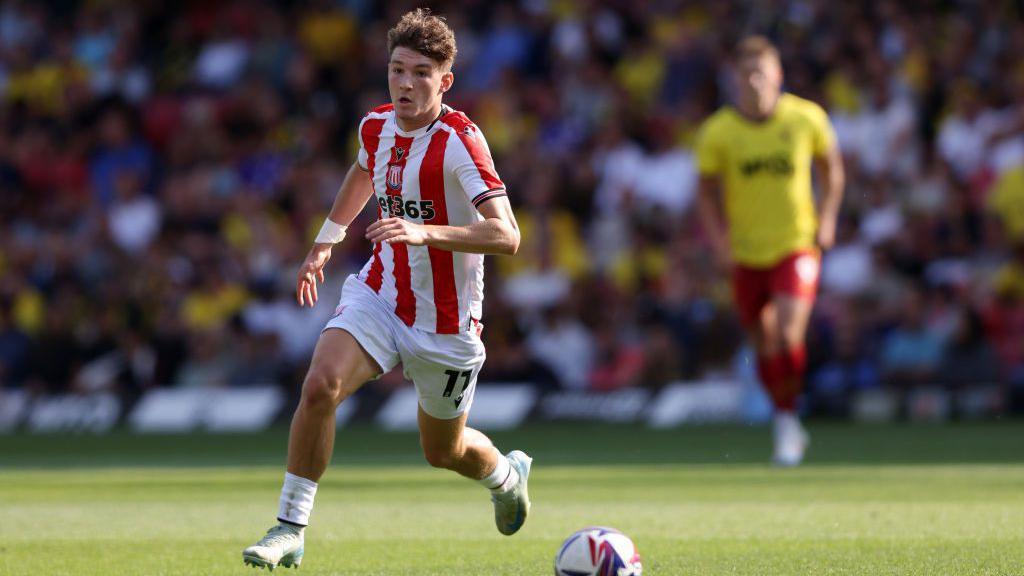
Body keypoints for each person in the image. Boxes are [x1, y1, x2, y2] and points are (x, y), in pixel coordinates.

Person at [242, 9, 530, 570]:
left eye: (420, 72)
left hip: (446, 321)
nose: (404, 83)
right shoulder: (375, 125)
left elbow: (507, 234)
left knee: (442, 451)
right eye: (397, 69)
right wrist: (327, 239)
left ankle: (504, 474)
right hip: (380, 291)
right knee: (321, 385)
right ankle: (290, 527)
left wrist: (424, 231)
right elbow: (362, 170)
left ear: (444, 81)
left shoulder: (460, 142)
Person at [694, 36, 845, 466]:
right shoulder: (718, 131)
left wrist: (829, 218)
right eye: (746, 74)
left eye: (762, 72)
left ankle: (786, 423)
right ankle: (786, 418)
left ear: (778, 75)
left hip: (796, 243)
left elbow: (833, 170)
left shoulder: (805, 118)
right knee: (761, 340)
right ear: (735, 79)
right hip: (745, 252)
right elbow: (704, 195)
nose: (754, 81)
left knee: (786, 329)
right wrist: (719, 242)